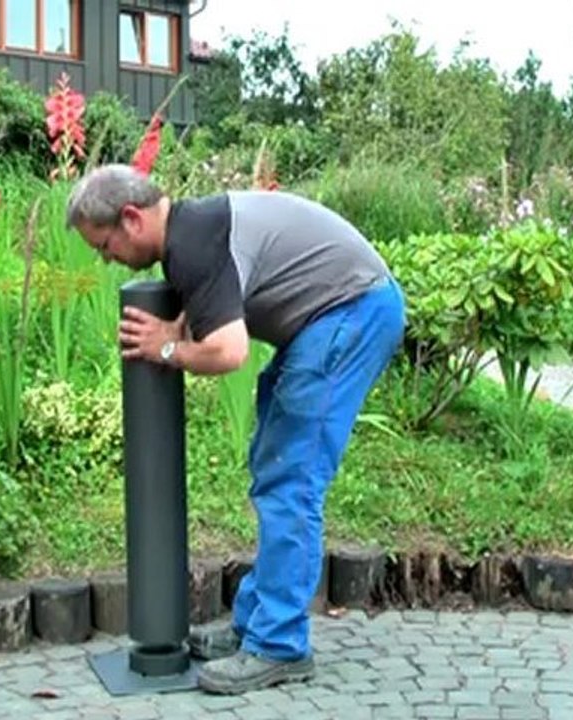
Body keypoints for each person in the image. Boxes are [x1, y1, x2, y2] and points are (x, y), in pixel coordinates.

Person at [66, 164, 406, 695]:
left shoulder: (193, 244)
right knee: (274, 467)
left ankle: (279, 646)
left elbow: (228, 352)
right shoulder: (191, 232)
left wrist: (166, 348)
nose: (106, 259)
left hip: (351, 311)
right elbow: (215, 295)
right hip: (334, 314)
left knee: (291, 481)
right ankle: (255, 626)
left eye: (104, 245)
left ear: (131, 218)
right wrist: (177, 329)